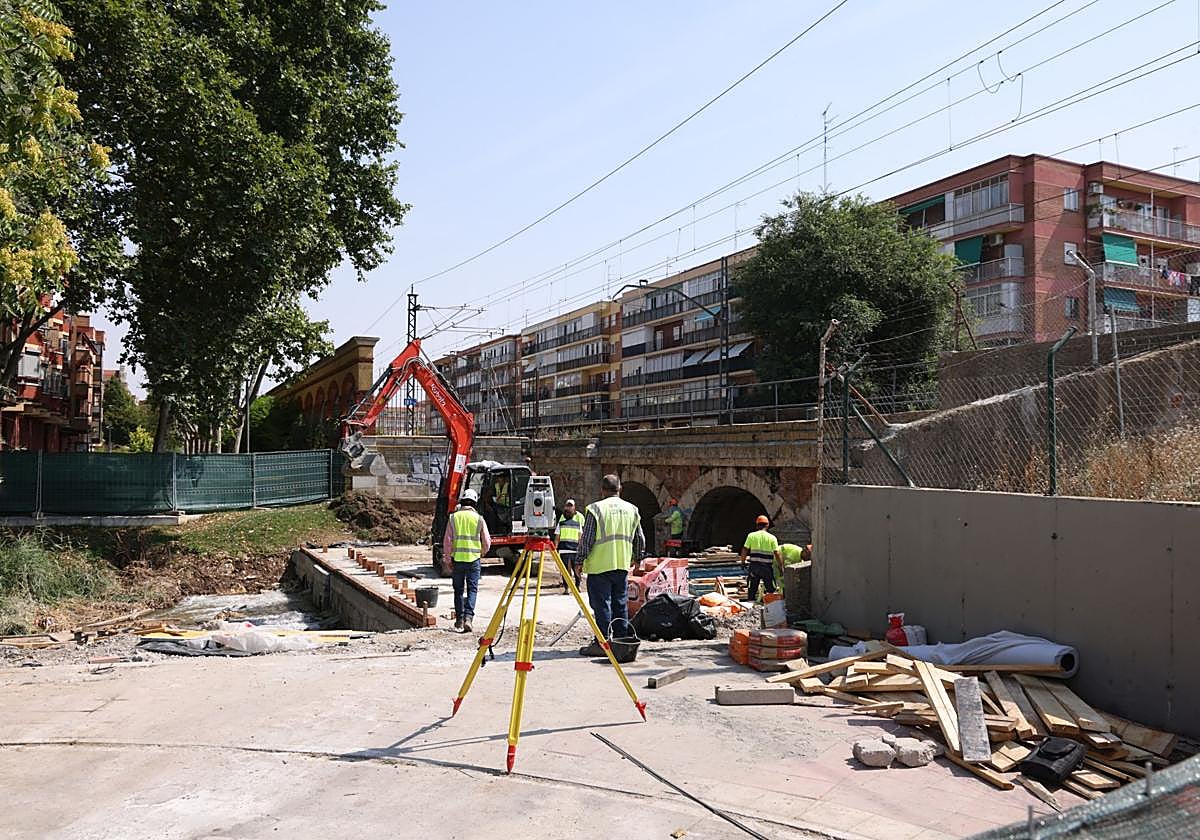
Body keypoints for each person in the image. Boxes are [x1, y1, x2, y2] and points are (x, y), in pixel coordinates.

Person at [576, 474, 644, 656]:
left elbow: (587, 539)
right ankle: (621, 641)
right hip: (621, 564)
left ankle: (602, 643)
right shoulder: (632, 509)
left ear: (602, 490)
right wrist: (638, 558)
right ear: (620, 489)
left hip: (599, 566)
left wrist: (579, 560)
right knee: (620, 603)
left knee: (602, 605)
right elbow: (639, 538)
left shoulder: (596, 509)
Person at [442, 488, 491, 633]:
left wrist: (447, 559)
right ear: (474, 503)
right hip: (473, 560)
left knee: (458, 590)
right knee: (472, 589)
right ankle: (469, 617)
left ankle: (459, 619)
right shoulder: (479, 519)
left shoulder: (453, 518)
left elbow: (447, 542)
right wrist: (482, 553)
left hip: (458, 560)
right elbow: (487, 542)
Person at [740, 515, 781, 602]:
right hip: (767, 568)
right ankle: (773, 607)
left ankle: (751, 608)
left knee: (752, 590)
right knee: (771, 590)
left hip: (754, 568)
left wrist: (742, 562)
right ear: (767, 525)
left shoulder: (751, 536)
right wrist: (781, 567)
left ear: (757, 525)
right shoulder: (772, 538)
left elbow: (744, 550)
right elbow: (777, 553)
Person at [554, 498, 583, 591]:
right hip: (570, 549)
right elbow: (580, 537)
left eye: (571, 506)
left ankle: (572, 587)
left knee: (570, 570)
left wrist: (556, 547)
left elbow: (557, 537)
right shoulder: (566, 521)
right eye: (568, 506)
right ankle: (572, 587)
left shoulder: (579, 518)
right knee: (570, 569)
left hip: (570, 549)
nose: (569, 509)